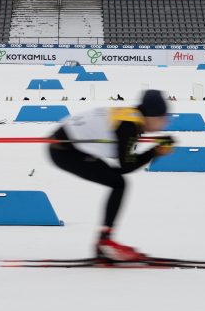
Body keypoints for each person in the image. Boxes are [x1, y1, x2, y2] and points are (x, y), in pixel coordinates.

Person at [47, 89, 175, 261]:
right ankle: (105, 241)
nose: (165, 124)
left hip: (68, 145)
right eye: (163, 119)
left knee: (117, 181)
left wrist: (154, 150)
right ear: (152, 116)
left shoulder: (131, 117)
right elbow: (126, 165)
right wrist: (155, 152)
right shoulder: (129, 124)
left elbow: (123, 163)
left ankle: (105, 240)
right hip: (65, 151)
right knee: (119, 183)